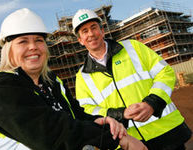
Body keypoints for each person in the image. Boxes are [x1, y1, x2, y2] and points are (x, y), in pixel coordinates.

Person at [0, 8, 147, 150]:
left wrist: (101, 120)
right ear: (8, 49)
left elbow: (75, 116)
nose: (33, 47)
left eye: (39, 40)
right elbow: (52, 133)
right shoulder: (2, 89)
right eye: (23, 42)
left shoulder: (51, 82)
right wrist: (120, 139)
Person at [73, 9, 192, 150]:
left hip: (167, 134)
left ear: (102, 31)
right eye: (85, 31)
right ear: (80, 40)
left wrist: (152, 104)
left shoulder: (133, 48)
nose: (91, 34)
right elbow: (87, 111)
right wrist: (120, 114)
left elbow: (164, 72)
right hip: (128, 142)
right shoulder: (83, 77)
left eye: (94, 28)